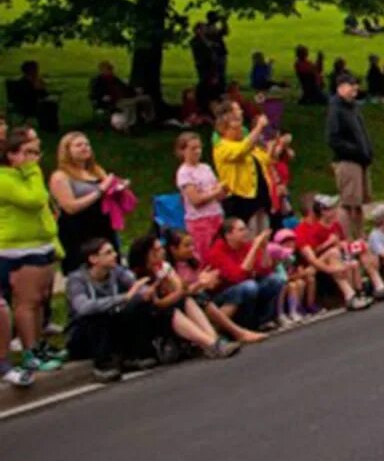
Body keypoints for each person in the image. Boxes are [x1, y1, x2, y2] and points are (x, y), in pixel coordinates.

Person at [1, 131, 65, 375]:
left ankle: (37, 345)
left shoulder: (25, 176)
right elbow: (34, 200)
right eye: (27, 153)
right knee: (27, 302)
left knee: (39, 300)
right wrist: (34, 171)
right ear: (11, 155)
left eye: (36, 153)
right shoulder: (5, 178)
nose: (33, 158)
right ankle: (28, 350)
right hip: (18, 248)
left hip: (40, 243)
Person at [125, 234, 239, 360]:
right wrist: (172, 289)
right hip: (151, 319)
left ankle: (213, 340)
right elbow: (158, 303)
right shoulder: (136, 276)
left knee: (187, 300)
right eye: (157, 250)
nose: (162, 252)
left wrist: (172, 285)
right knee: (171, 311)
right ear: (147, 254)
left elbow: (181, 288)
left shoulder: (164, 267)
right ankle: (210, 343)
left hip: (168, 305)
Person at [65, 238, 163, 382]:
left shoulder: (116, 271)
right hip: (84, 334)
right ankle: (103, 364)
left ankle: (134, 354)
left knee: (139, 303)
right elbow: (83, 307)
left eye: (113, 251)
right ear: (93, 259)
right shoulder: (77, 279)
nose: (115, 255)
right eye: (108, 253)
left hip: (111, 325)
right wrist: (123, 298)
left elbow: (135, 285)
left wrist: (145, 291)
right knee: (96, 314)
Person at [163, 229, 267, 345]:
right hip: (190, 302)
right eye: (186, 246)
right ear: (173, 249)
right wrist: (200, 284)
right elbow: (181, 293)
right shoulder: (169, 269)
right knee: (201, 298)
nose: (191, 248)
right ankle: (234, 333)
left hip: (206, 295)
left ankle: (219, 332)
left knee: (237, 292)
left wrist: (209, 281)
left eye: (192, 244)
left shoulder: (193, 260)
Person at [50, 132, 120, 272]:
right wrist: (99, 191)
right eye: (78, 145)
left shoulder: (97, 171)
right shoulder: (60, 176)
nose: (84, 148)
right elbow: (69, 207)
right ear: (67, 150)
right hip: (78, 229)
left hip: (103, 225)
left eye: (87, 144)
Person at [294, 195, 376, 311]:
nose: (333, 211)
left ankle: (373, 286)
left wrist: (345, 245)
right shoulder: (301, 231)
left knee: (359, 250)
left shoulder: (332, 225)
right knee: (333, 254)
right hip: (317, 266)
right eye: (328, 209)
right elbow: (312, 258)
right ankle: (349, 295)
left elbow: (343, 241)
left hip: (338, 258)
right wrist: (331, 268)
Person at [326, 72, 375, 239]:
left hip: (361, 161)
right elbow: (333, 139)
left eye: (355, 84)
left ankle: (360, 235)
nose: (354, 88)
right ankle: (347, 237)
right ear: (340, 87)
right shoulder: (336, 109)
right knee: (348, 203)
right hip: (348, 161)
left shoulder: (352, 107)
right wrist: (355, 151)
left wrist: (367, 151)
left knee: (360, 203)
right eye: (350, 84)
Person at [213, 107, 275, 234]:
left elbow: (266, 160)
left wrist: (272, 147)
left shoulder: (248, 145)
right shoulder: (222, 147)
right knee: (245, 234)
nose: (240, 129)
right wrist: (258, 127)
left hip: (259, 196)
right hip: (239, 198)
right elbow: (241, 151)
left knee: (263, 231)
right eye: (235, 127)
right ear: (224, 130)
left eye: (241, 125)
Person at [175, 131, 227, 259]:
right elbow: (196, 200)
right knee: (206, 255)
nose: (197, 151)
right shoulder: (184, 172)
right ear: (183, 151)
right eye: (193, 149)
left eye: (199, 148)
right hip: (200, 221)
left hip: (216, 215)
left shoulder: (206, 167)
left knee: (222, 251)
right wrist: (215, 192)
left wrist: (223, 190)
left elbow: (217, 191)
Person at [89, 61, 156, 132]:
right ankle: (129, 126)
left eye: (111, 69)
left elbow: (125, 87)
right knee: (130, 105)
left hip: (126, 98)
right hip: (115, 101)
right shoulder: (98, 81)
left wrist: (135, 90)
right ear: (102, 70)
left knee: (146, 98)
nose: (110, 71)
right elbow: (94, 94)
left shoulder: (114, 79)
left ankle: (150, 119)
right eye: (108, 69)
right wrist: (102, 97)